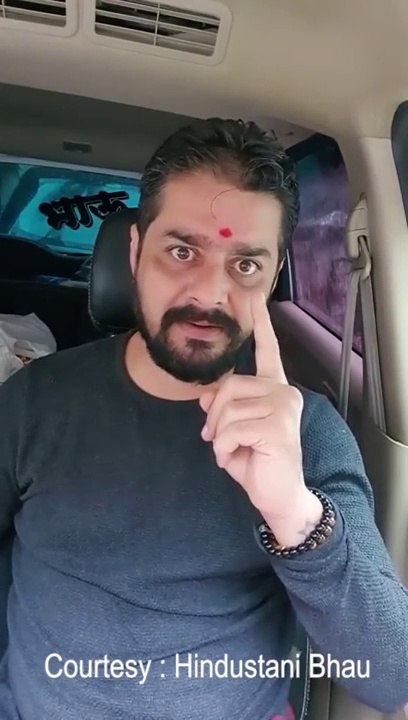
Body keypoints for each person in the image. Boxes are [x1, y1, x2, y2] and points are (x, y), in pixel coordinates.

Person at [0, 118, 407, 720]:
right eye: (182, 251)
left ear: (272, 276)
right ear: (134, 252)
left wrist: (294, 515)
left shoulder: (306, 433)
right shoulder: (35, 399)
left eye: (245, 264)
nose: (210, 294)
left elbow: (392, 679)